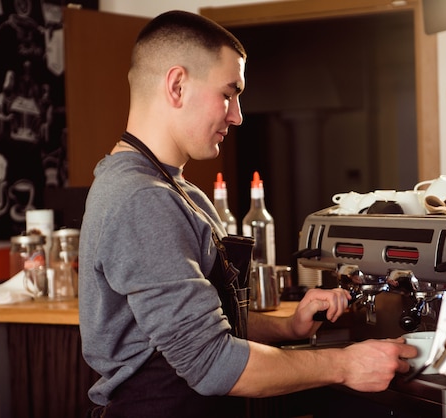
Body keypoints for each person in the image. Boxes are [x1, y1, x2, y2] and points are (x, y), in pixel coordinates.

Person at [79, 10, 417, 418]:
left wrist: (287, 328)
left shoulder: (178, 191)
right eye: (229, 93)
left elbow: (199, 323)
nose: (237, 115)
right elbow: (211, 363)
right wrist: (345, 365)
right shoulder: (139, 198)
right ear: (177, 85)